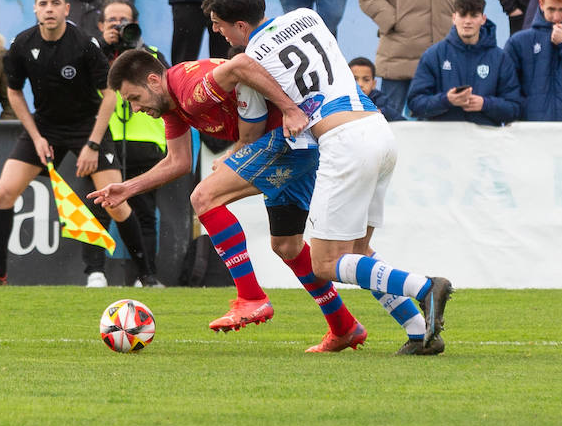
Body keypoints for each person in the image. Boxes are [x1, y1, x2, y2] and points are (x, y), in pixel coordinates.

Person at [195, 0, 455, 355]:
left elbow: (251, 135)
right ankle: (419, 333)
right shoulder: (307, 16)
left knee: (325, 263)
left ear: (240, 26)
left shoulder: (247, 63)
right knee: (359, 252)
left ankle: (424, 287)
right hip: (376, 128)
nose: (215, 30)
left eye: (218, 23)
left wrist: (232, 151)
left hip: (343, 142)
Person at [92, 46, 371, 351]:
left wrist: (289, 109)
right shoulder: (172, 104)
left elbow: (240, 65)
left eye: (135, 99)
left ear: (153, 81)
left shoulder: (189, 89)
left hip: (288, 138)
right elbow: (179, 162)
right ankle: (345, 326)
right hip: (291, 143)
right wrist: (127, 188)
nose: (134, 109)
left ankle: (251, 297)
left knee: (204, 197)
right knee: (288, 246)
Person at [0, 0, 154, 288]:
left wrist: (92, 144)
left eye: (55, 3)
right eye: (43, 4)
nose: (49, 9)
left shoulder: (84, 43)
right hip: (46, 128)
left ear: (66, 9)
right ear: (36, 9)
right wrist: (36, 136)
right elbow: (14, 94)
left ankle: (147, 276)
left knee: (116, 202)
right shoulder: (22, 44)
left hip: (87, 126)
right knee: (3, 193)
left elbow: (109, 95)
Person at [95, 0, 167, 287]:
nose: (118, 25)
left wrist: (133, 49)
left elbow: (165, 88)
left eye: (124, 21)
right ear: (101, 25)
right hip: (107, 142)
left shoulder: (151, 54)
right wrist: (104, 49)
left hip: (147, 141)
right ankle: (94, 273)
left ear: (135, 24)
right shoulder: (94, 55)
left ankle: (145, 275)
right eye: (112, 20)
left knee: (146, 213)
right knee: (100, 207)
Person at [407, 0, 522, 125]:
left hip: (485, 144)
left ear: (483, 19)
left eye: (473, 16)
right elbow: (415, 103)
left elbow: (514, 108)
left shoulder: (500, 58)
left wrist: (485, 104)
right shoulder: (433, 55)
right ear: (454, 18)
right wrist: (446, 100)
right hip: (443, 142)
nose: (467, 21)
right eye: (463, 15)